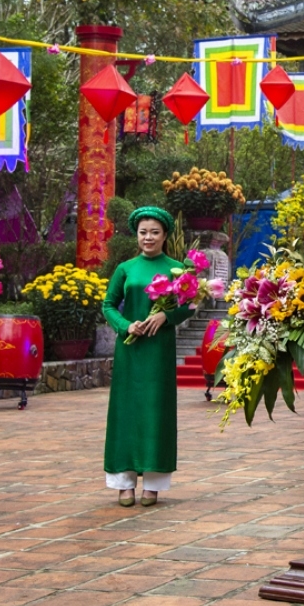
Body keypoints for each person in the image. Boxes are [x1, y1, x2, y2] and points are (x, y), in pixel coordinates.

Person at [101, 207, 195, 507]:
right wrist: (125, 325)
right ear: (136, 235)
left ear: (165, 235)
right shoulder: (125, 269)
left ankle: (153, 483)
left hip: (159, 349)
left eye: (154, 232)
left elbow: (189, 303)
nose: (148, 237)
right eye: (143, 232)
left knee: (156, 410)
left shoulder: (177, 268)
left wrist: (166, 317)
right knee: (125, 412)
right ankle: (123, 482)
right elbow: (108, 305)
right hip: (130, 349)